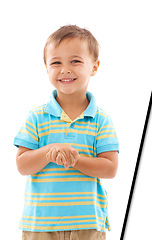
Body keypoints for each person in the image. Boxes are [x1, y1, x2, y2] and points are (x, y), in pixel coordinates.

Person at [14, 25, 119, 240]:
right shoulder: (36, 117)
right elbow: (22, 165)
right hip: (40, 225)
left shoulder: (101, 119)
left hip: (88, 224)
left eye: (75, 61)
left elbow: (110, 168)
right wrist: (49, 150)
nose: (64, 69)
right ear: (46, 67)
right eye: (56, 63)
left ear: (94, 66)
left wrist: (74, 159)